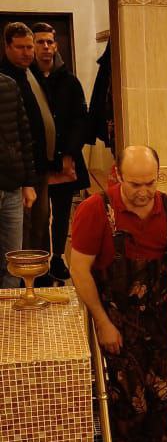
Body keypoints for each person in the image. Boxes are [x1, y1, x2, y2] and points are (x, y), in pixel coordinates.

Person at [70, 145, 167, 442]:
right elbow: (79, 270)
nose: (144, 192)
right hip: (117, 321)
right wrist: (102, 322)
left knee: (161, 389)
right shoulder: (96, 211)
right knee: (128, 395)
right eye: (135, 184)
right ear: (118, 175)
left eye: (150, 183)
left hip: (158, 318)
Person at [31, 23, 90, 282]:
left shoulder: (70, 81)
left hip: (66, 157)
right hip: (38, 161)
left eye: (49, 42)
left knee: (63, 211)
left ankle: (57, 258)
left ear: (56, 46)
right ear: (33, 46)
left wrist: (69, 153)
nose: (46, 47)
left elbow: (80, 119)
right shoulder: (27, 79)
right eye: (40, 42)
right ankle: (41, 260)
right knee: (40, 214)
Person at [0, 22, 54, 264]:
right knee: (22, 234)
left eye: (29, 47)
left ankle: (38, 275)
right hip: (17, 174)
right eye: (20, 47)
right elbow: (18, 132)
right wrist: (25, 179)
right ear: (7, 47)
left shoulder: (29, 73)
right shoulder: (8, 78)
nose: (27, 52)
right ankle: (25, 278)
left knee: (40, 224)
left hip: (37, 166)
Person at [0, 73, 36, 287]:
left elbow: (24, 135)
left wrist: (28, 182)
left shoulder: (8, 84)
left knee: (13, 263)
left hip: (12, 186)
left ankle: (8, 308)